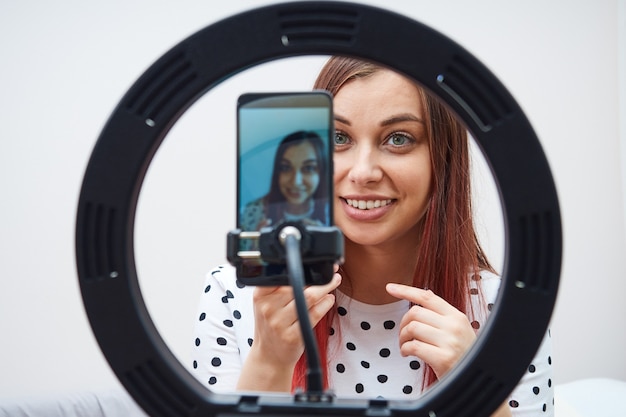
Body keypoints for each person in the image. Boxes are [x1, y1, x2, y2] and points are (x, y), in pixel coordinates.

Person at [191, 57, 553, 417]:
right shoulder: (232, 296)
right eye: (338, 137)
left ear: (442, 160)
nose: (362, 172)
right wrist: (269, 361)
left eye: (398, 139)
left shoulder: (506, 312)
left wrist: (474, 388)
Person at [240, 130, 330, 233]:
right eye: (286, 168)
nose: (296, 181)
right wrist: (256, 244)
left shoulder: (334, 213)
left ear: (321, 172)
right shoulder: (253, 211)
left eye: (308, 168)